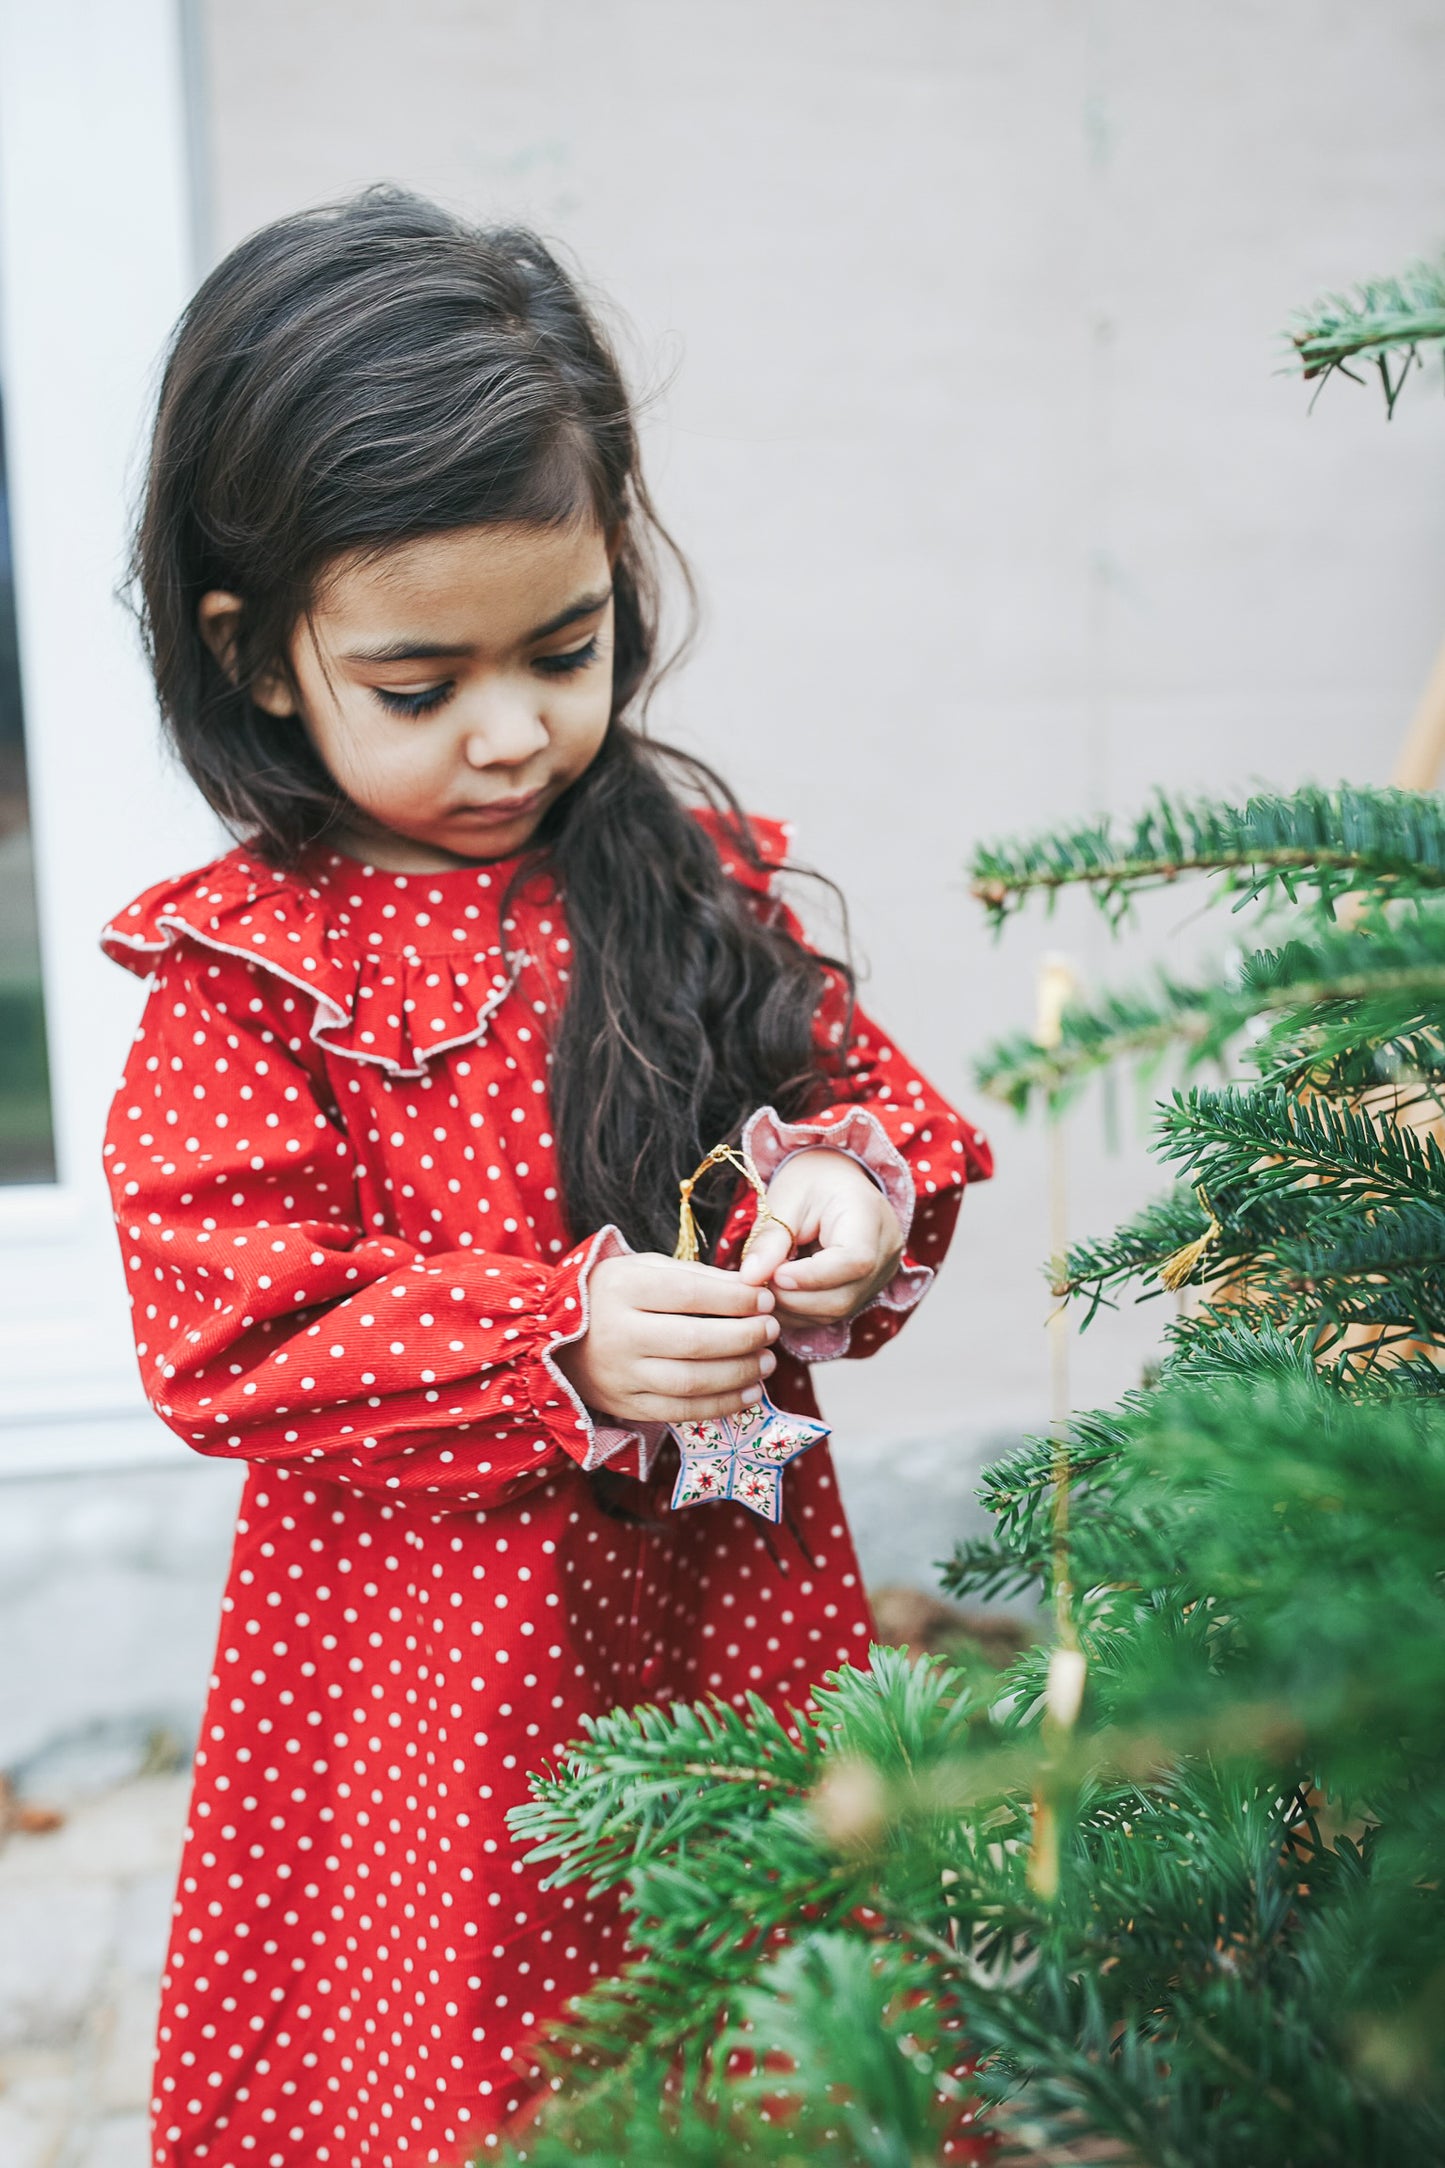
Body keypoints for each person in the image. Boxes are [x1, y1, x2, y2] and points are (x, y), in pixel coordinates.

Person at [101, 188, 993, 2168]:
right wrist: (554, 1334)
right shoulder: (254, 973)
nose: (512, 731)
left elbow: (876, 1106)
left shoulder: (682, 873)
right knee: (457, 2047)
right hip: (423, 1667)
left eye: (564, 649)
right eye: (423, 684)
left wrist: (847, 1196)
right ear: (260, 656)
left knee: (763, 2014)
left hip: (723, 1605)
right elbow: (225, 1318)